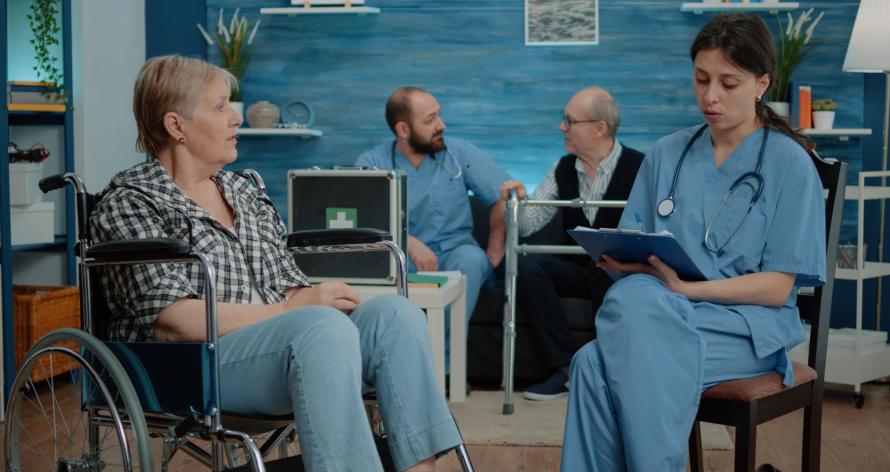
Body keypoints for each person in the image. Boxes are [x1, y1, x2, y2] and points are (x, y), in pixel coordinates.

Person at [91, 55, 461, 472]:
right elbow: (174, 320)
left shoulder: (243, 190)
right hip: (198, 363)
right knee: (321, 328)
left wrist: (313, 298)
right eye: (220, 107)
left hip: (286, 343)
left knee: (396, 314)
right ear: (176, 126)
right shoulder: (132, 201)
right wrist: (293, 311)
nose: (235, 118)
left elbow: (286, 283)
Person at [560, 13, 826, 471]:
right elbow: (634, 238)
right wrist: (629, 264)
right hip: (660, 309)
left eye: (728, 83)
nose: (710, 96)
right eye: (701, 79)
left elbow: (778, 288)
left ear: (762, 83)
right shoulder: (668, 153)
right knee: (629, 306)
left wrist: (690, 290)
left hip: (745, 327)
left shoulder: (789, 164)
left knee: (594, 363)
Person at [498, 87, 644, 401]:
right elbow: (527, 225)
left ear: (598, 128)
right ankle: (565, 369)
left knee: (608, 273)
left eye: (569, 121)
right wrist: (519, 200)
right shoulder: (562, 167)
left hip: (620, 270)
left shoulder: (641, 167)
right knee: (528, 265)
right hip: (576, 268)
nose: (562, 127)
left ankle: (609, 372)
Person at [356, 86, 511, 321]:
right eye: (430, 120)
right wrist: (407, 242)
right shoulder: (372, 162)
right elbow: (362, 218)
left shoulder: (459, 152)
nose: (441, 125)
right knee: (386, 271)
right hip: (401, 257)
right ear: (403, 129)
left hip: (456, 252)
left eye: (439, 114)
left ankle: (445, 357)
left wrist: (495, 249)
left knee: (471, 260)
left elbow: (505, 194)